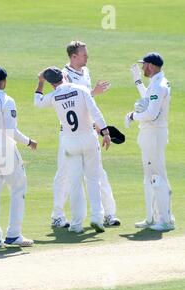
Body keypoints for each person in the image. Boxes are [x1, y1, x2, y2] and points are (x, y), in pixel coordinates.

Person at [47, 40, 120, 229]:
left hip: (88, 131)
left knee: (98, 173)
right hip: (69, 134)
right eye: (84, 54)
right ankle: (57, 215)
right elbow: (72, 100)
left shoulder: (85, 72)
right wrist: (93, 92)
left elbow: (87, 104)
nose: (87, 57)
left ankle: (108, 214)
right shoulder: (64, 76)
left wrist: (99, 128)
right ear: (73, 56)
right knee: (64, 175)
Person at [35, 67, 111, 233]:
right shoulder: (82, 89)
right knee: (93, 179)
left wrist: (40, 83)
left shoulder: (54, 96)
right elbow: (95, 112)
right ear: (64, 76)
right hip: (89, 138)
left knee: (75, 182)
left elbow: (37, 102)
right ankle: (97, 217)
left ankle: (76, 224)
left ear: (51, 83)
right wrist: (105, 132)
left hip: (70, 142)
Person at [0, 67, 37, 248]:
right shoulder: (7, 100)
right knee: (19, 188)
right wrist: (29, 141)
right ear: (4, 81)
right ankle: (13, 234)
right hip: (4, 149)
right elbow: (11, 131)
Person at [126, 52, 174, 231]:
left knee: (157, 176)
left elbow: (151, 114)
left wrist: (133, 115)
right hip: (153, 133)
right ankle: (152, 217)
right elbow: (148, 99)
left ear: (151, 66)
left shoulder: (159, 85)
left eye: (144, 64)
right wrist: (138, 82)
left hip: (153, 134)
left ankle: (165, 220)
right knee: (150, 177)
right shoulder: (157, 82)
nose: (142, 68)